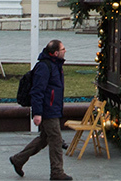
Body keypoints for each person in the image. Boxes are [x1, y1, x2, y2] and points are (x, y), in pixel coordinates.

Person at [10, 39, 71, 180]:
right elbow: (37, 91)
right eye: (63, 49)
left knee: (44, 139)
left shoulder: (55, 65)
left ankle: (18, 159)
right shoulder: (44, 67)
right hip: (47, 110)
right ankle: (57, 172)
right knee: (56, 139)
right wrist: (37, 113)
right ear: (56, 53)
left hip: (52, 108)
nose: (65, 51)